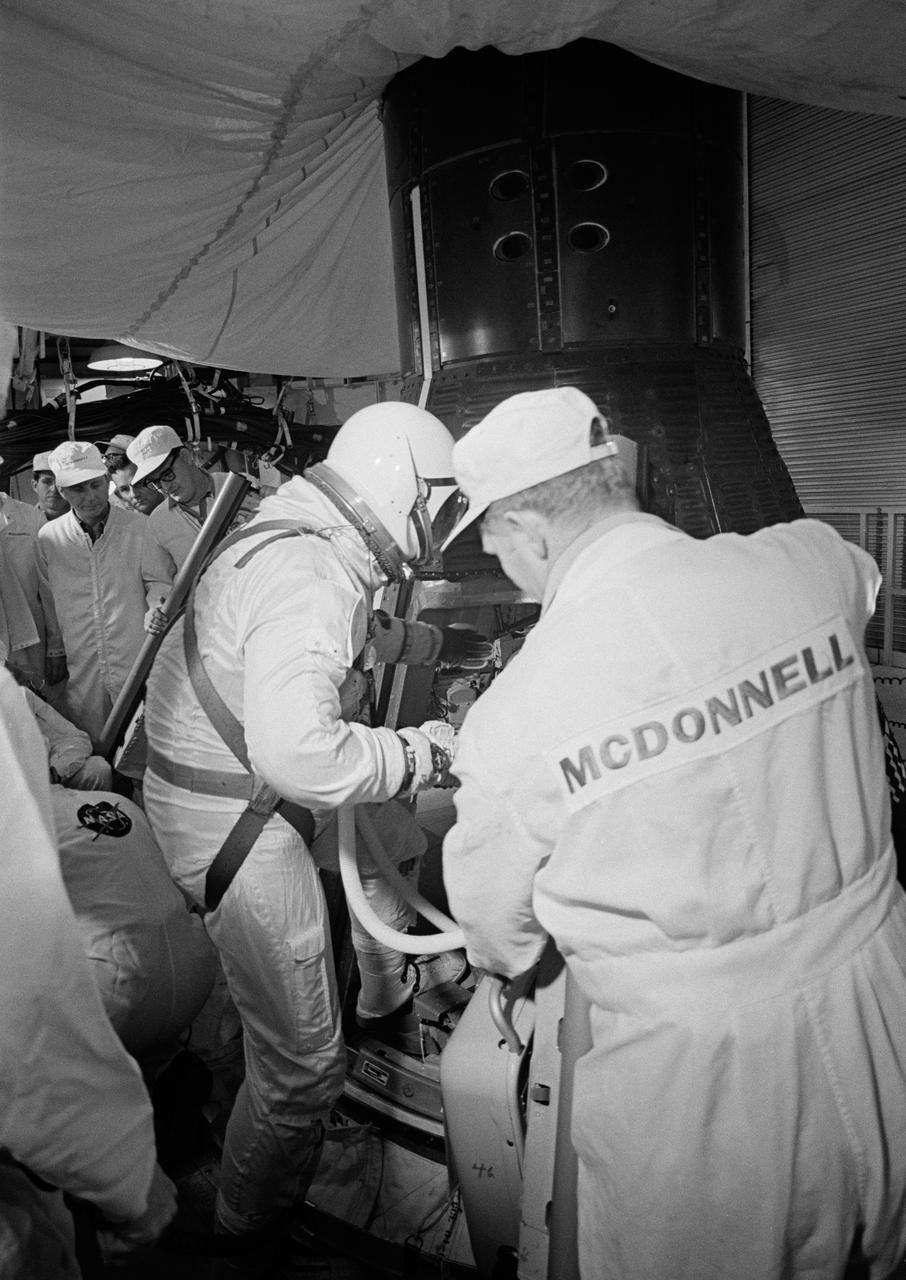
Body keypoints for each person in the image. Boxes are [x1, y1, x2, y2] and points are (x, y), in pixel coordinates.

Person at [440, 386, 906, 1280]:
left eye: (494, 543)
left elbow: (497, 938)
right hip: (881, 1007)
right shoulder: (807, 562)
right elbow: (863, 580)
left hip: (707, 1098)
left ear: (532, 528)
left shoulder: (520, 713)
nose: (505, 566)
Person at [141, 401, 476, 1248]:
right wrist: (422, 753)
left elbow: (347, 634)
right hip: (240, 826)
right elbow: (300, 756)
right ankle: (244, 1232)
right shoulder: (313, 574)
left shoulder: (297, 534)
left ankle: (386, 992)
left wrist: (434, 646)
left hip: (223, 794)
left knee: (391, 845)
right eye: (432, 508)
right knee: (302, 1070)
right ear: (398, 488)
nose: (432, 529)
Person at [0, 663, 176, 1275]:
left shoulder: (28, 725)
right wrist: (127, 1179)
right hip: (178, 978)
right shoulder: (96, 806)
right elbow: (28, 1014)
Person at [35, 440, 170, 743]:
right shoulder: (49, 539)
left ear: (107, 480)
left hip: (133, 651)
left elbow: (158, 581)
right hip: (82, 661)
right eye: (78, 489)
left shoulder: (139, 528)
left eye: (95, 485)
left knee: (144, 740)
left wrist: (156, 606)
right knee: (94, 742)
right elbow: (49, 601)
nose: (90, 497)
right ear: (61, 489)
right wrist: (56, 649)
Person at [127, 424, 259, 605]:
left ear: (185, 456)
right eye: (155, 482)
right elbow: (158, 582)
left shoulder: (241, 487)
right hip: (214, 620)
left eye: (167, 474)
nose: (165, 487)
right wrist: (157, 608)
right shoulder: (158, 522)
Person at [31, 451, 70, 522]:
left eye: (61, 482)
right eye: (47, 482)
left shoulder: (88, 519)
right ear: (35, 485)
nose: (54, 489)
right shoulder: (23, 522)